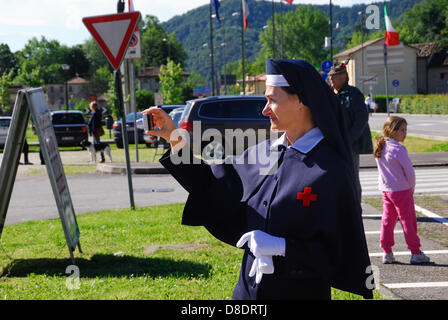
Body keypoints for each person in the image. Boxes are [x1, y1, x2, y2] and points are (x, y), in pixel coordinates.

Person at [144, 59, 374, 300]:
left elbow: (339, 255)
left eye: (272, 100)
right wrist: (174, 138)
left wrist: (283, 248)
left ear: (302, 101)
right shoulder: (265, 153)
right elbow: (211, 184)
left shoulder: (332, 171)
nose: (264, 109)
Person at [373, 116, 430, 265]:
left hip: (386, 190)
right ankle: (415, 252)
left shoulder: (381, 146)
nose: (405, 133)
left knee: (387, 220)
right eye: (402, 130)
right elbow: (410, 173)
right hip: (402, 190)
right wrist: (412, 188)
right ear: (392, 131)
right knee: (408, 221)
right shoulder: (398, 149)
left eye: (406, 130)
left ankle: (387, 252)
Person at [329, 61, 373, 201]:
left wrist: (348, 139)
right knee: (335, 178)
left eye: (333, 76)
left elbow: (361, 119)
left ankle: (355, 208)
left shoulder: (354, 94)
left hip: (350, 144)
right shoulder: (330, 94)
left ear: (343, 77)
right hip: (334, 143)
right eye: (330, 76)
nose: (330, 79)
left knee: (351, 177)